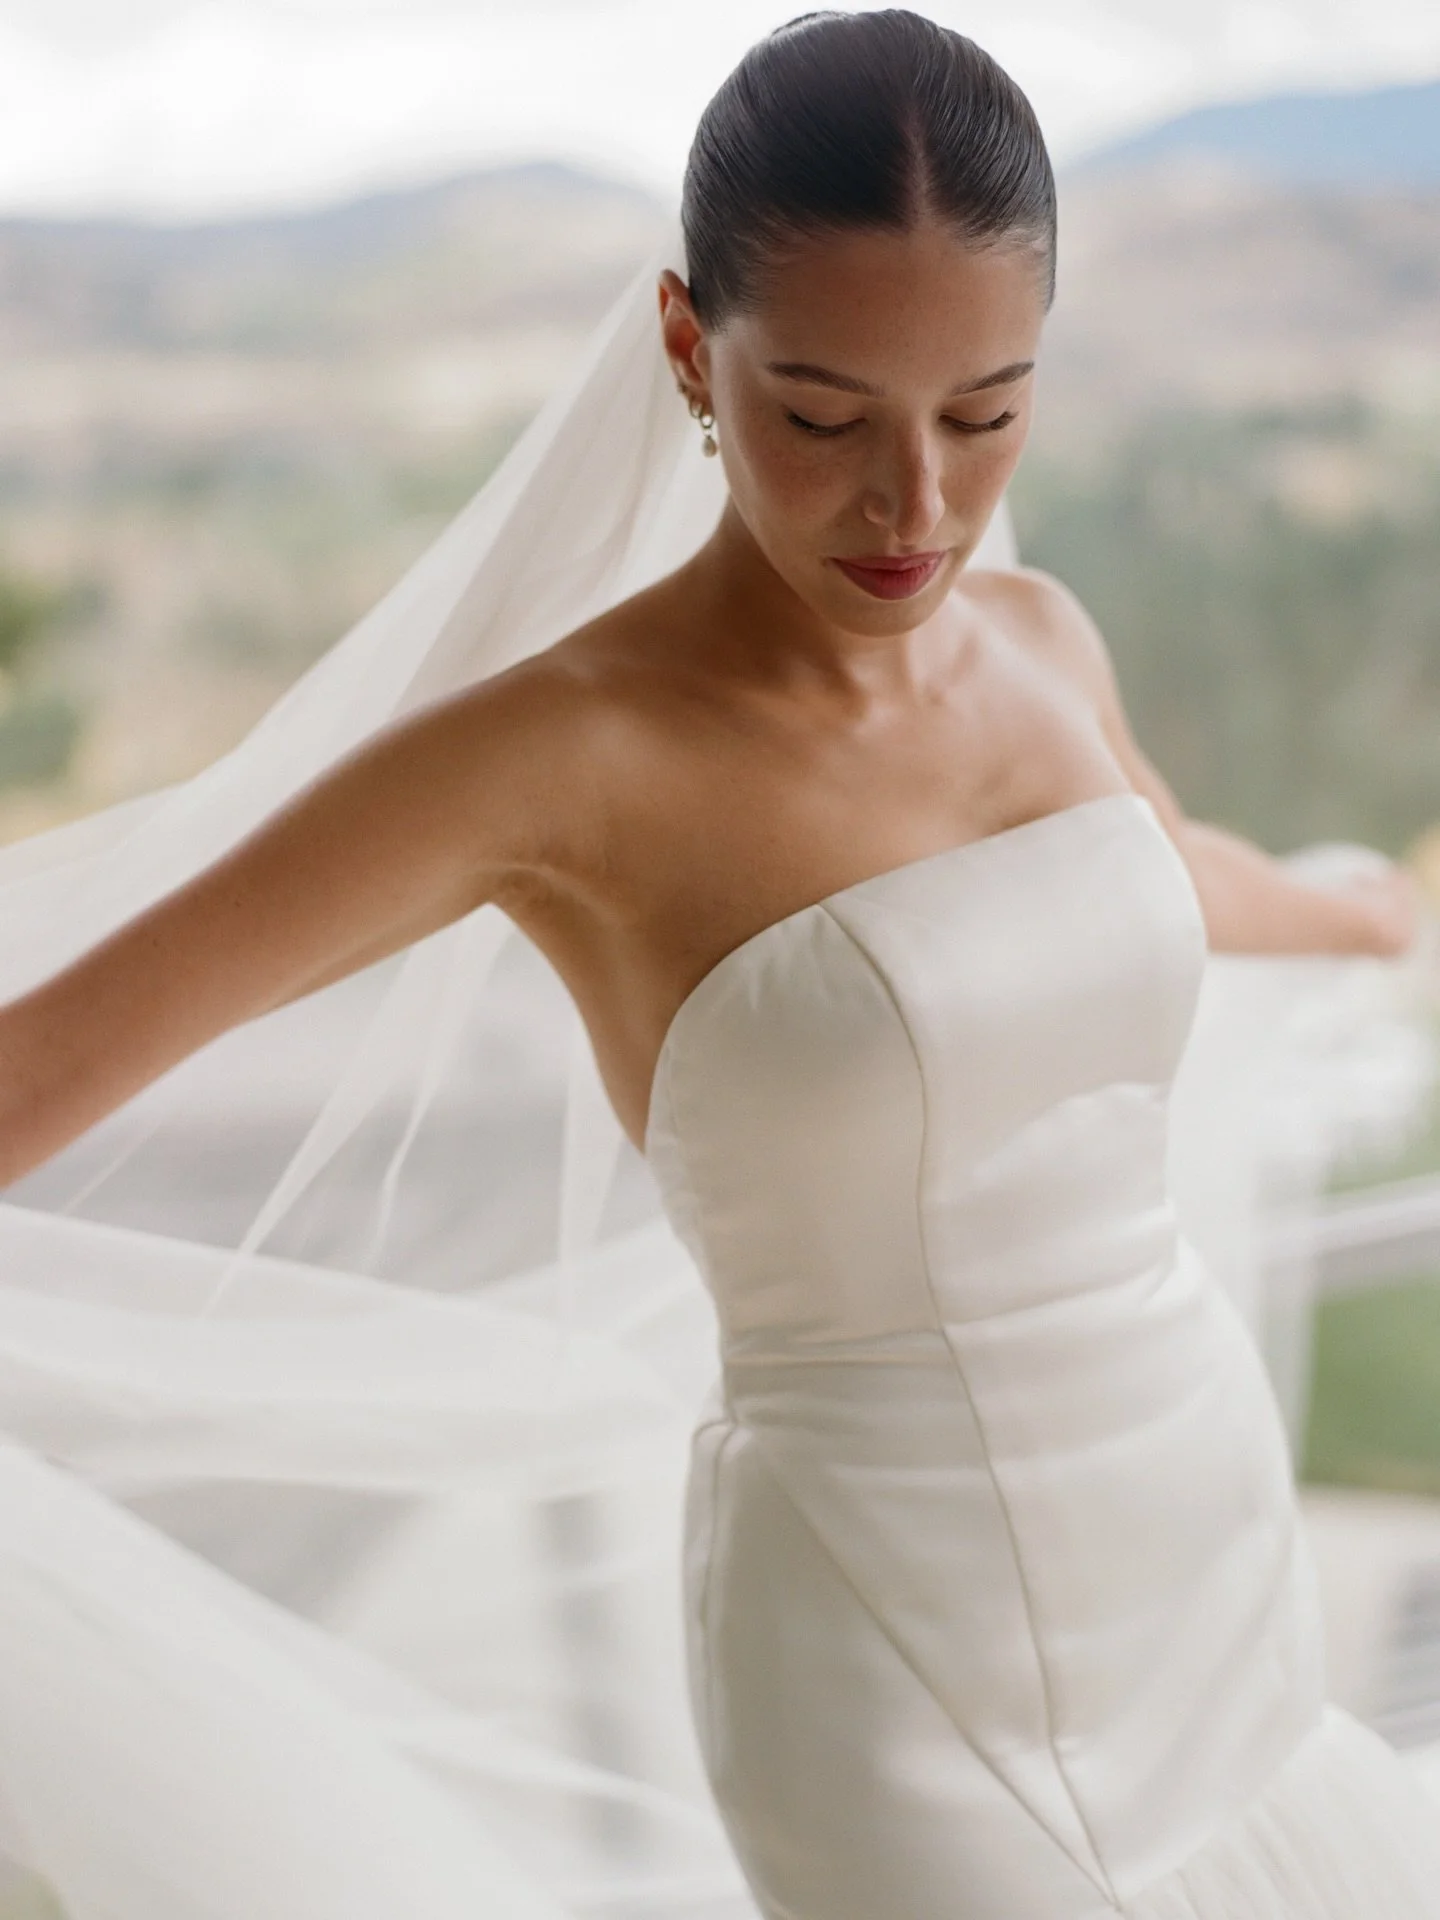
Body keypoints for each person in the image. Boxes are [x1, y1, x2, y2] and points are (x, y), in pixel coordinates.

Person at [0, 11, 1436, 1919]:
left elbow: (1177, 872)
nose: (912, 507)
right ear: (690, 349)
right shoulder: (558, 757)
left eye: (984, 412)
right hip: (893, 1658)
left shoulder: (1042, 639)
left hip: (1203, 1563)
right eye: (826, 416)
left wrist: (1391, 921)